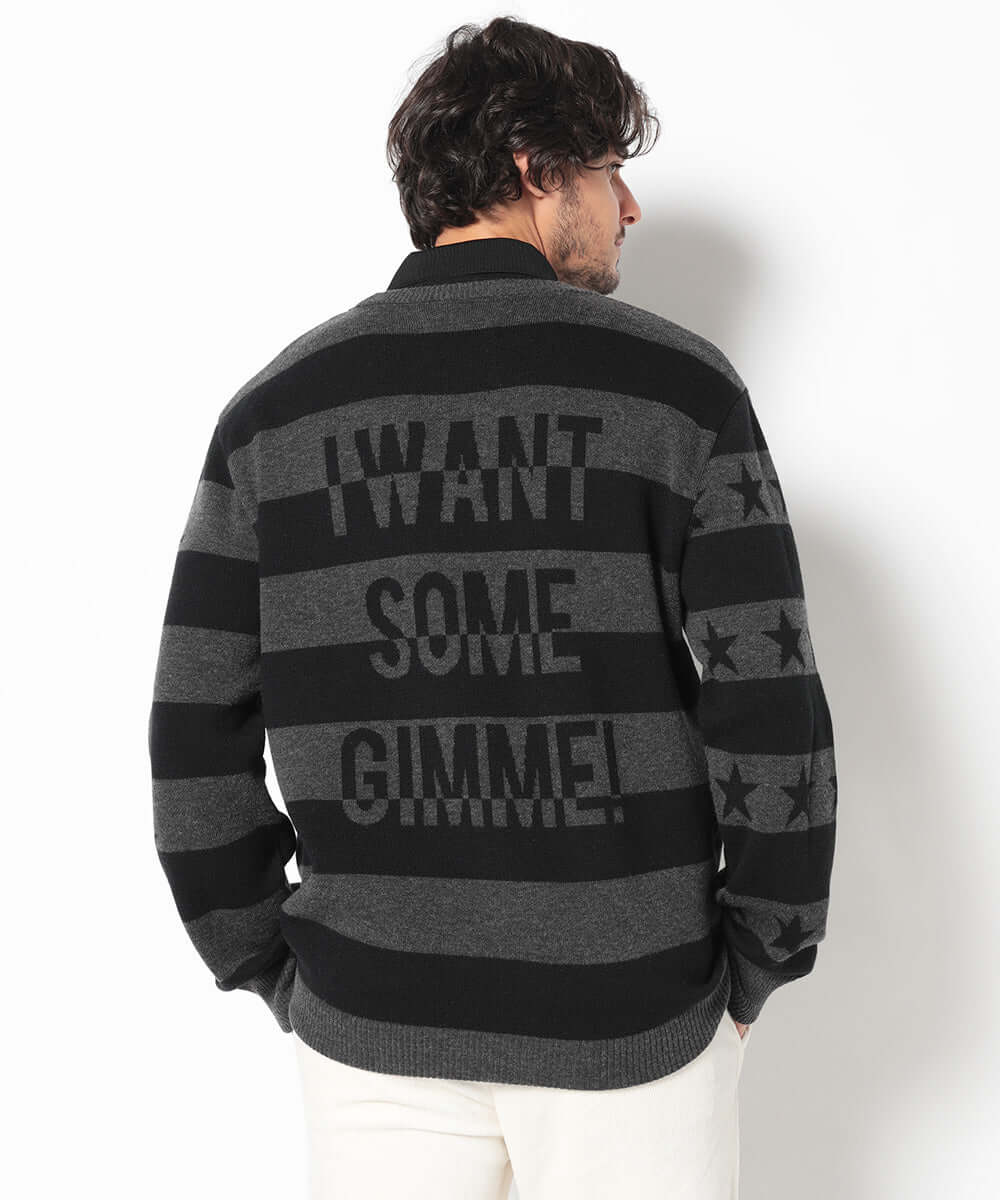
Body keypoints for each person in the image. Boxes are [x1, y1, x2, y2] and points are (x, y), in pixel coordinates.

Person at [148, 15, 837, 1199]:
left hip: (373, 1031)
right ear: (535, 166)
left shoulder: (277, 414)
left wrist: (268, 959)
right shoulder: (678, 391)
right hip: (634, 1027)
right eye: (609, 171)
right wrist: (760, 954)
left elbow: (193, 722)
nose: (628, 208)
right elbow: (770, 712)